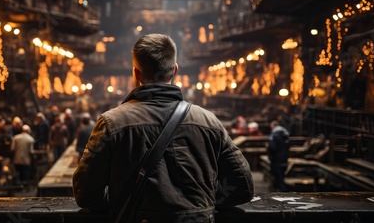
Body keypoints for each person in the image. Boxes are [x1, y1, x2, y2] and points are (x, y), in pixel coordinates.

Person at [73, 34, 254, 222]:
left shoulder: (111, 124)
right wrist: (201, 203)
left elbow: (85, 194)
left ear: (136, 73)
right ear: (174, 70)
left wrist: (126, 202)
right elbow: (243, 187)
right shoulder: (209, 122)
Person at [268, 120, 290, 192]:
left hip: (276, 160)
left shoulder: (274, 135)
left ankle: (285, 194)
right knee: (281, 177)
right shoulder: (285, 134)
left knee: (278, 179)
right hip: (284, 159)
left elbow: (272, 147)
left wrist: (269, 152)